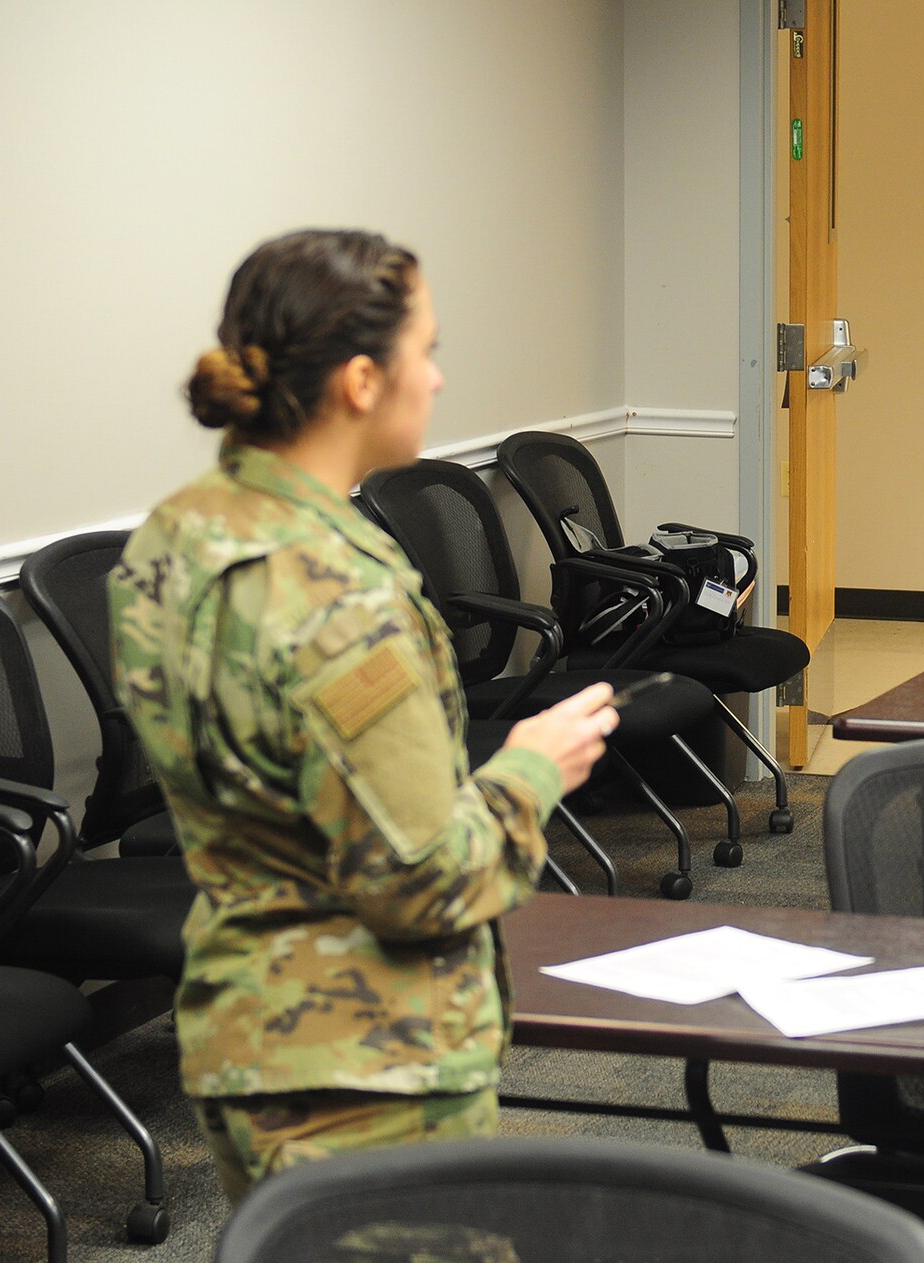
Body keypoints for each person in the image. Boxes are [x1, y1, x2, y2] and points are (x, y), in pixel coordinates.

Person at [111, 229, 619, 1203]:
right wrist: (529, 770)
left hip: (245, 1032)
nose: (436, 377)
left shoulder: (177, 535)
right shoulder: (343, 601)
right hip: (362, 1072)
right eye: (424, 350)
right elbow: (417, 882)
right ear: (358, 382)